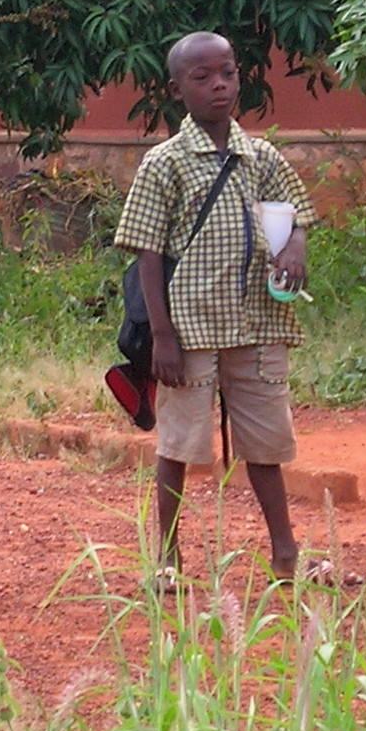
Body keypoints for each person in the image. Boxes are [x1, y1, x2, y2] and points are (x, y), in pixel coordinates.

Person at [114, 31, 331, 590]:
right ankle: (166, 558)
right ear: (176, 89)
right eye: (202, 77)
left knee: (266, 442)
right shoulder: (165, 164)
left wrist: (295, 249)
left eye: (228, 74)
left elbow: (296, 215)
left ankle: (286, 554)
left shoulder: (261, 157)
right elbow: (148, 252)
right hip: (189, 330)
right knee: (180, 445)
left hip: (258, 321)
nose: (219, 86)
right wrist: (161, 335)